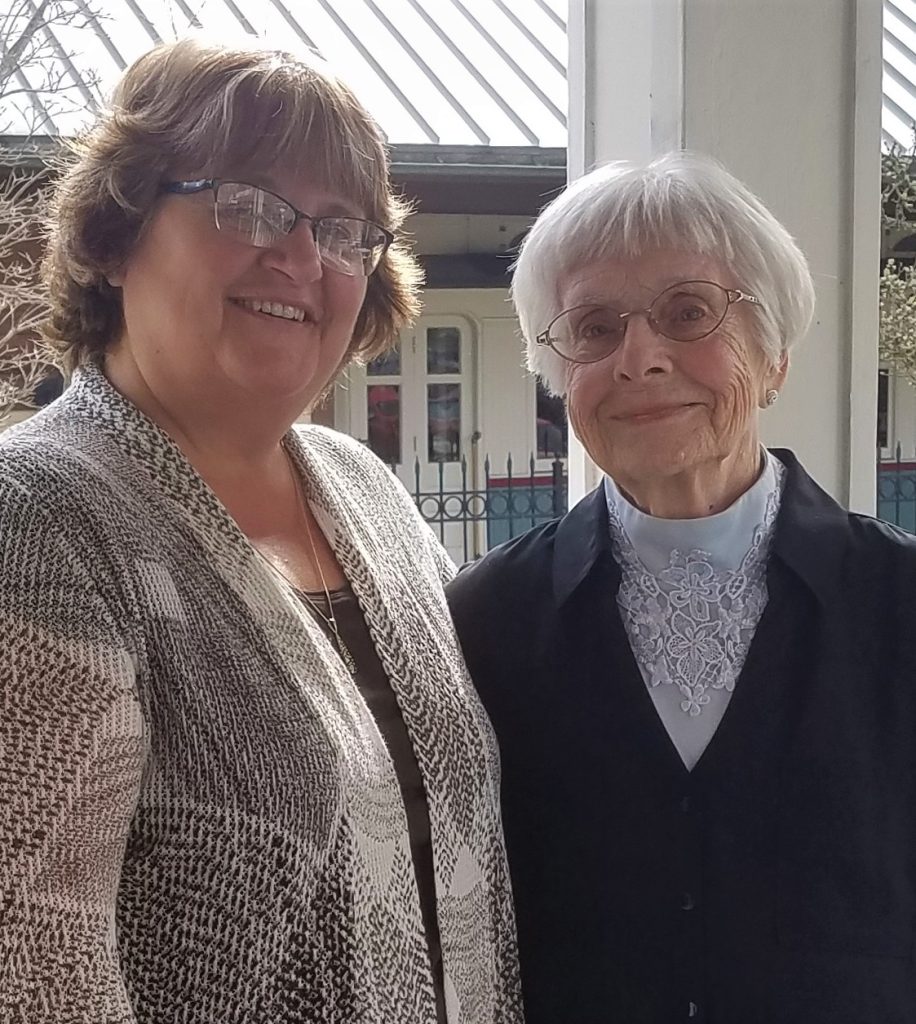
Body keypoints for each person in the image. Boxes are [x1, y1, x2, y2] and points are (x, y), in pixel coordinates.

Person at [0, 39, 521, 1024]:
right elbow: (33, 972)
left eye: (340, 227)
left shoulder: (370, 496)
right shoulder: (39, 526)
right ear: (117, 238)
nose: (298, 256)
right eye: (245, 204)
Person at [447, 152, 916, 1024]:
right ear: (559, 381)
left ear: (772, 356)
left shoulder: (902, 604)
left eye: (689, 312)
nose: (640, 359)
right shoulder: (483, 622)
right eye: (592, 328)